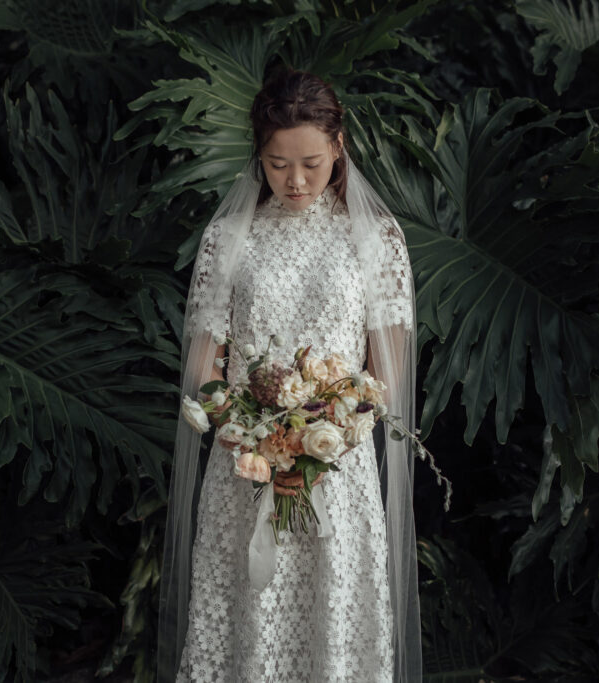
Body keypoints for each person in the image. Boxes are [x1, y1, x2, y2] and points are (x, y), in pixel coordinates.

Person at [158, 69, 421, 682]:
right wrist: (247, 431)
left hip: (337, 469)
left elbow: (388, 373)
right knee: (248, 624)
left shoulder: (377, 239)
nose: (295, 181)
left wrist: (326, 434)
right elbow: (205, 365)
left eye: (310, 162)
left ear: (338, 146)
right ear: (259, 156)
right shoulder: (227, 238)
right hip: (243, 468)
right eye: (277, 165)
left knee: (333, 627)